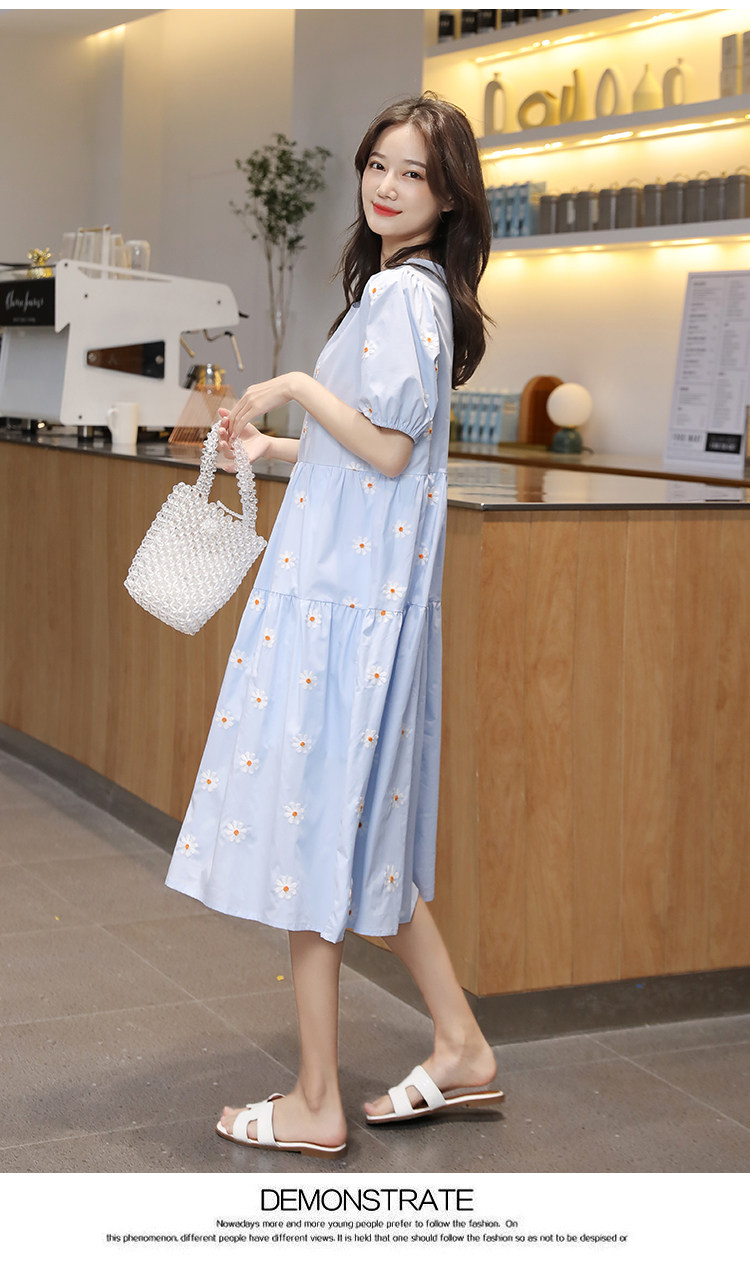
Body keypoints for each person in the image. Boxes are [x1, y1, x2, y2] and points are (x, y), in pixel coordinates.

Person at [165, 92, 503, 1160]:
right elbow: (376, 450)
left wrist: (294, 386)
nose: (387, 186)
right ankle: (461, 1045)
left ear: (448, 197)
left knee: (314, 838)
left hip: (344, 610)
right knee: (357, 841)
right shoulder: (406, 291)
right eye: (378, 165)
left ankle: (318, 1101)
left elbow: (391, 452)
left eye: (414, 172)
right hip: (357, 601)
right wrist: (273, 451)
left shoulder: (401, 294)